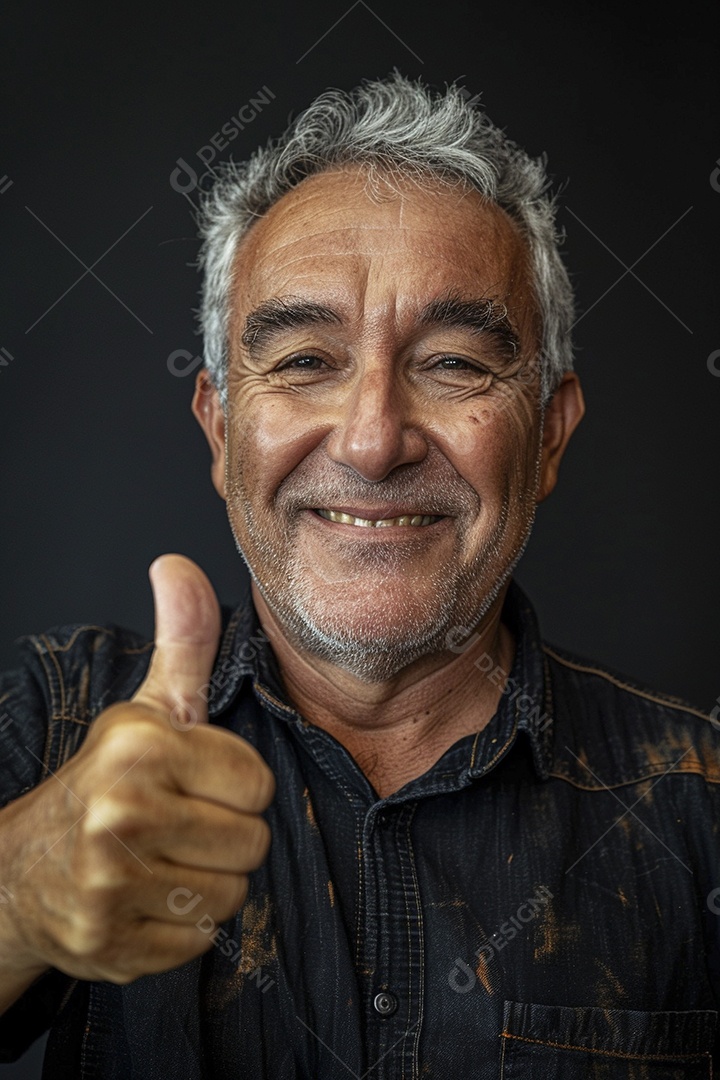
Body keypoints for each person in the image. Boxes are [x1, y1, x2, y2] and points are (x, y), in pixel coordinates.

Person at [0, 73, 718, 1078]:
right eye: (304, 361)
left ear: (550, 435)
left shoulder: (696, 801)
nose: (374, 441)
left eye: (455, 363)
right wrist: (17, 900)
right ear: (220, 430)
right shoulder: (57, 733)